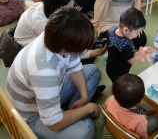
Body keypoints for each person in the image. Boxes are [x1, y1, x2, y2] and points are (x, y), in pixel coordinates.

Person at [5, 8, 103, 139]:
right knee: (86, 131)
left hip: (48, 91)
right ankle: (68, 114)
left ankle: (70, 110)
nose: (83, 51)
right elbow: (53, 124)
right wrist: (90, 107)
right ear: (67, 46)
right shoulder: (44, 71)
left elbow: (74, 65)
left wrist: (84, 97)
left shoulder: (55, 33)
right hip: (32, 115)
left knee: (93, 71)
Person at [13, 0, 106, 66]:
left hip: (41, 35)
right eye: (68, 8)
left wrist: (85, 21)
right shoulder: (42, 22)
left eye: (73, 6)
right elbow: (64, 50)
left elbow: (70, 14)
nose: (72, 10)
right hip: (26, 44)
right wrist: (97, 53)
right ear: (55, 8)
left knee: (83, 43)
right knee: (82, 56)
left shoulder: (48, 7)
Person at [105, 74, 158, 139]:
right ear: (141, 100)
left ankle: (146, 113)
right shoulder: (140, 121)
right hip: (130, 132)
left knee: (138, 108)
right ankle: (157, 116)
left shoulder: (110, 98)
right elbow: (143, 137)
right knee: (156, 120)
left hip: (114, 125)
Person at [106, 7, 153, 82]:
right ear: (125, 30)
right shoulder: (125, 46)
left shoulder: (112, 29)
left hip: (110, 65)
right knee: (119, 86)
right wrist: (144, 53)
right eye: (137, 33)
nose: (138, 35)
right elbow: (132, 61)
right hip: (119, 72)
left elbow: (108, 43)